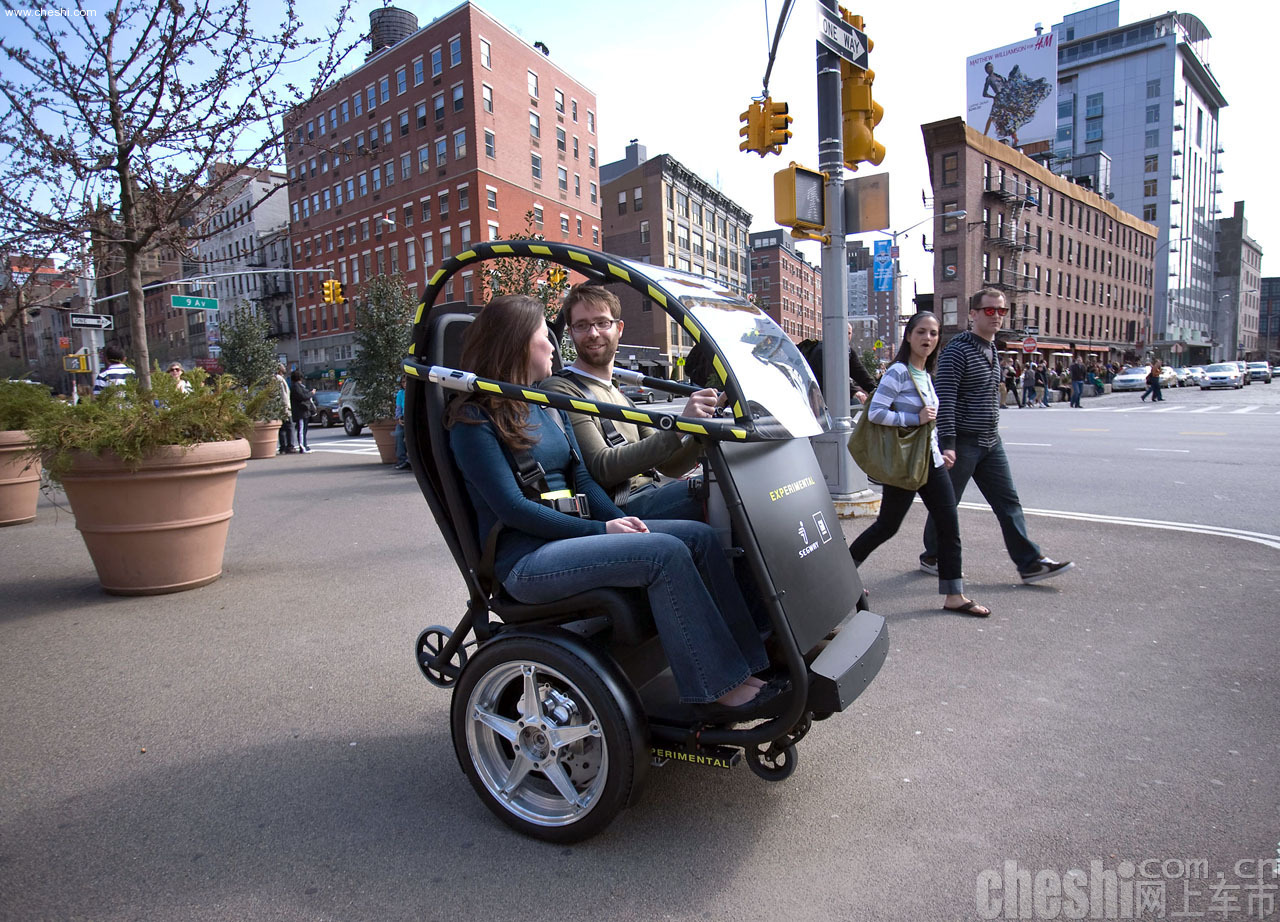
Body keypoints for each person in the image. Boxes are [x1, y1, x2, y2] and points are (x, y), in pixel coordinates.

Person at [447, 294, 782, 716]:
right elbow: (513, 508)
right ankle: (719, 686)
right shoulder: (473, 420)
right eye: (543, 338)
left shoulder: (545, 406)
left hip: (568, 540)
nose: (554, 347)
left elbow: (583, 477)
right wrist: (601, 531)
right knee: (664, 553)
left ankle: (750, 663)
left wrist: (621, 520)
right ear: (516, 345)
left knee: (698, 537)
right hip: (526, 560)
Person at [920, 289, 1074, 584]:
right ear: (973, 314)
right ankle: (932, 555)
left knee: (1008, 503)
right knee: (946, 504)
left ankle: (1029, 563)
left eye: (1002, 311)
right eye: (990, 311)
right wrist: (948, 444)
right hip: (963, 442)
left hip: (991, 442)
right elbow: (946, 398)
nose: (997, 316)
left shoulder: (992, 349)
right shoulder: (957, 349)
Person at [849, 312, 989, 616]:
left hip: (931, 462)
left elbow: (931, 424)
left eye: (934, 333)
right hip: (906, 463)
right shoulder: (899, 372)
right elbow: (875, 414)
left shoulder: (926, 373)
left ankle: (954, 594)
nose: (928, 338)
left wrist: (942, 448)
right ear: (909, 336)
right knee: (887, 526)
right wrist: (915, 418)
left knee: (948, 525)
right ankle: (844, 575)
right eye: (922, 332)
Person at [540, 284, 714, 520]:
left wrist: (700, 432)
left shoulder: (620, 395)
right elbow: (603, 467)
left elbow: (669, 466)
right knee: (719, 492)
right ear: (571, 333)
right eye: (582, 325)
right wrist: (679, 426)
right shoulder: (561, 389)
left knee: (728, 482)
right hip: (620, 508)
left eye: (602, 323)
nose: (593, 333)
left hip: (650, 494)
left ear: (619, 328)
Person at [289, 370, 315, 452]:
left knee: (303, 430)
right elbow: (303, 396)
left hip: (303, 411)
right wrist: (311, 393)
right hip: (300, 411)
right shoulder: (296, 387)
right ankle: (303, 447)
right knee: (301, 430)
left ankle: (304, 445)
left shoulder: (298, 386)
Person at [275, 364, 296, 454]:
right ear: (280, 369)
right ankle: (290, 446)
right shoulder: (279, 379)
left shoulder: (277, 378)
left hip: (280, 407)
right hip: (284, 407)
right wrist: (286, 407)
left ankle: (283, 447)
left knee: (282, 428)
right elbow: (283, 395)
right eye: (283, 366)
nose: (284, 367)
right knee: (289, 426)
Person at [392, 375, 410, 470]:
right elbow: (398, 408)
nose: (405, 384)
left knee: (409, 438)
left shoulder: (413, 392)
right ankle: (401, 460)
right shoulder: (400, 393)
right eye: (403, 382)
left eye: (406, 382)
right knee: (398, 435)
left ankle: (411, 460)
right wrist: (399, 418)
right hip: (403, 418)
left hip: (411, 418)